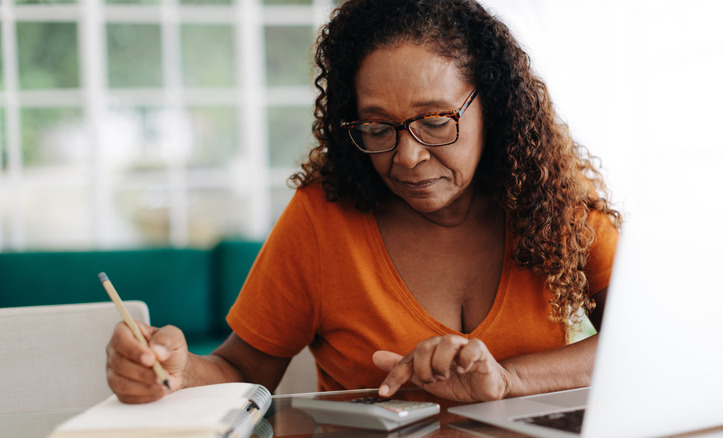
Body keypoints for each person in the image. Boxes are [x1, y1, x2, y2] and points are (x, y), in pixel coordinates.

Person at [106, 0, 621, 404]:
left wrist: (508, 380)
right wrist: (177, 369)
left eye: (437, 121)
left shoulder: (552, 194)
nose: (408, 157)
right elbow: (241, 371)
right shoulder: (321, 216)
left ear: (495, 106)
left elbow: (641, 338)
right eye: (377, 127)